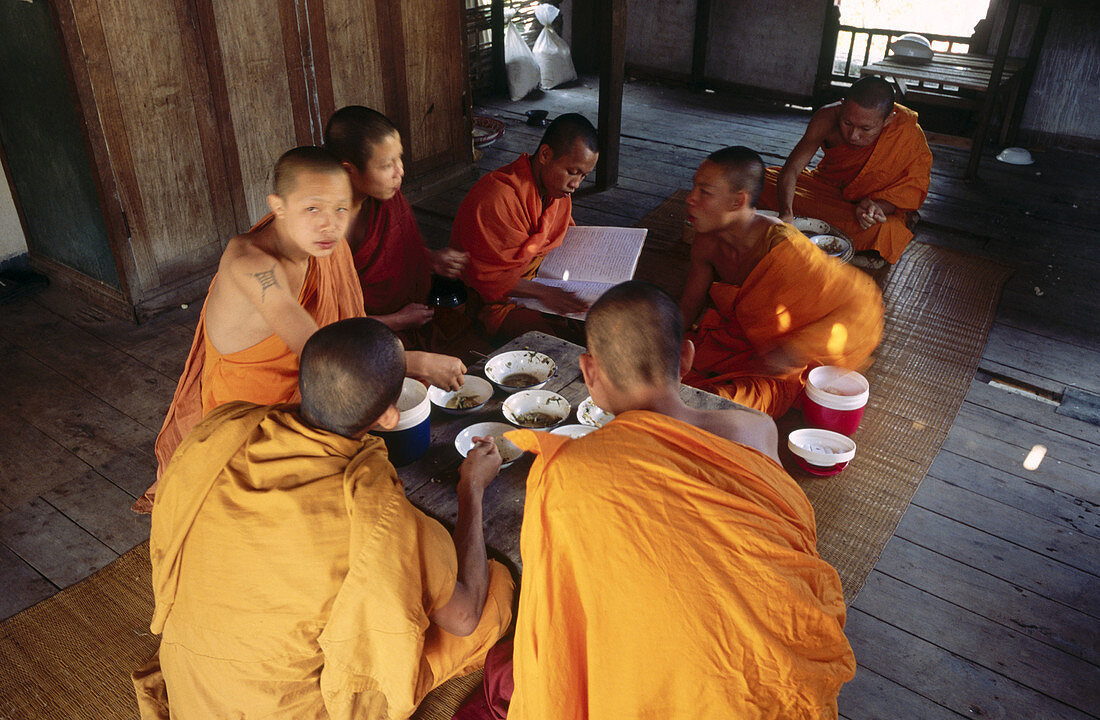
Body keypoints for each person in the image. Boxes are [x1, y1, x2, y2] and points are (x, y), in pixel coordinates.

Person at [454, 282, 855, 719]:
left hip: (670, 691)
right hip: (780, 682)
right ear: (686, 357)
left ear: (588, 373)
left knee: (506, 672)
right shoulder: (757, 432)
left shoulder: (571, 471)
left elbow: (564, 617)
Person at [132, 318, 514, 720]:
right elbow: (464, 615)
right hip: (292, 710)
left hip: (195, 688)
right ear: (388, 418)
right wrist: (471, 488)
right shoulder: (376, 512)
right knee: (495, 594)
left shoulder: (224, 428)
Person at [138, 147, 465, 513]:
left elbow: (340, 331)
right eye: (313, 208)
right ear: (278, 207)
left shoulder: (325, 247)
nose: (330, 224)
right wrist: (414, 362)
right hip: (250, 428)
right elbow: (320, 349)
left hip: (314, 396)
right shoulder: (252, 265)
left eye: (341, 209)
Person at [679, 146, 883, 418]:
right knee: (660, 364)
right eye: (694, 187)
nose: (690, 199)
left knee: (729, 407)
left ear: (737, 202)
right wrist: (663, 343)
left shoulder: (786, 249)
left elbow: (862, 306)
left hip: (782, 365)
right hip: (731, 342)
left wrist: (793, 351)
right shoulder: (706, 240)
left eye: (704, 192)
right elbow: (690, 304)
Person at [323, 105, 470, 347]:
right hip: (357, 341)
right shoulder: (323, 231)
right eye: (386, 165)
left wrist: (431, 259)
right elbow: (330, 325)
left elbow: (400, 252)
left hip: (413, 319)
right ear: (348, 170)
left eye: (399, 158)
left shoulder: (387, 200)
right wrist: (397, 320)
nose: (400, 171)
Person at [450, 113, 599, 340]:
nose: (575, 185)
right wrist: (543, 293)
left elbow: (563, 244)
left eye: (584, 176)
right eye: (572, 172)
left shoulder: (557, 195)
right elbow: (485, 279)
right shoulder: (497, 196)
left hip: (538, 291)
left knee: (599, 331)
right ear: (546, 155)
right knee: (554, 346)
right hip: (494, 304)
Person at [757, 76, 933, 263]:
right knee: (762, 181)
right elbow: (792, 169)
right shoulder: (827, 117)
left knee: (886, 231)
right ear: (842, 106)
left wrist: (875, 208)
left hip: (862, 206)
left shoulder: (906, 132)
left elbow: (906, 191)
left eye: (865, 129)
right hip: (825, 188)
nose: (854, 135)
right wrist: (786, 212)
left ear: (888, 120)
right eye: (847, 123)